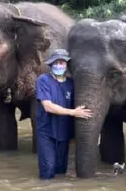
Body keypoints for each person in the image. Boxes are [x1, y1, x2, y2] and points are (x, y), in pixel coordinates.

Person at [34, 49, 92, 179]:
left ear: (67, 65)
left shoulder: (71, 83)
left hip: (64, 134)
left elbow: (80, 108)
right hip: (46, 133)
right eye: (56, 62)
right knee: (48, 168)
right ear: (51, 64)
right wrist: (73, 112)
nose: (59, 65)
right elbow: (48, 106)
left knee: (60, 171)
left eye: (62, 62)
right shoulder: (43, 80)